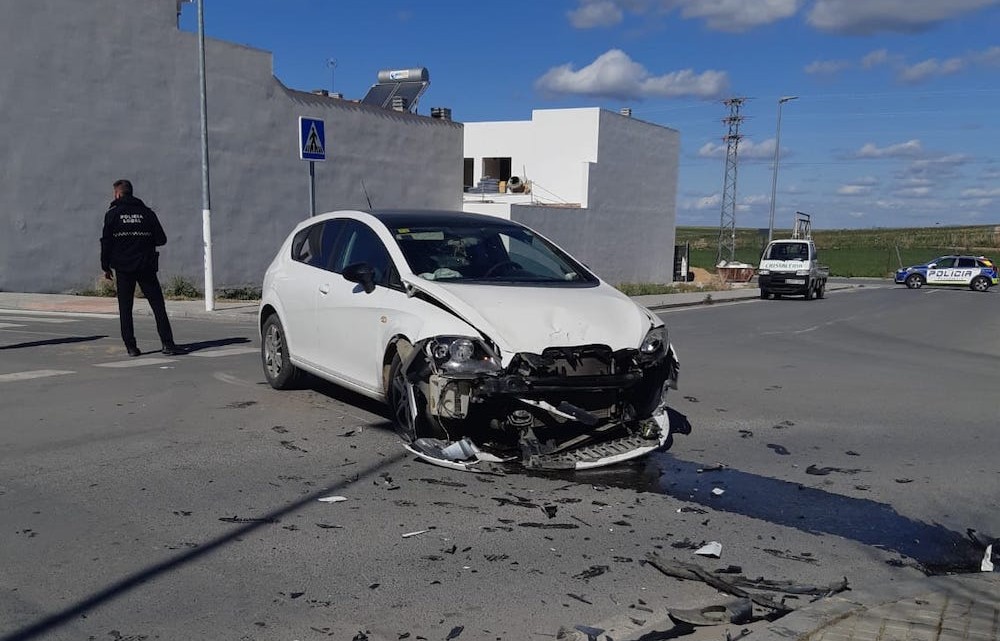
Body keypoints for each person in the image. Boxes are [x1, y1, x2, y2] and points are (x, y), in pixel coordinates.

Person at [100, 179, 182, 357]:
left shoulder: (113, 214)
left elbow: (106, 242)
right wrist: (144, 241)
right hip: (146, 265)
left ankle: (131, 347)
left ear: (118, 194)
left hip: (123, 267)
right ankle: (167, 344)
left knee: (126, 308)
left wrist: (105, 266)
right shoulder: (146, 213)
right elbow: (161, 239)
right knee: (158, 306)